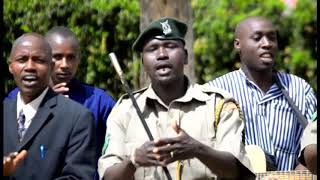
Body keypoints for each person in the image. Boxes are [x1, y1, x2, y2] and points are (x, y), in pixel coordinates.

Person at [98, 17, 255, 180]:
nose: (162, 55)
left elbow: (238, 172)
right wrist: (133, 161)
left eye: (170, 46)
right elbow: (108, 176)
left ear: (186, 56)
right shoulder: (124, 111)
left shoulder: (218, 105)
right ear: (143, 63)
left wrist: (197, 149)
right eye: (152, 49)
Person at [206, 16, 317, 171]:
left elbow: (312, 145)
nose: (267, 44)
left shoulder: (299, 89)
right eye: (257, 38)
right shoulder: (216, 93)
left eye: (272, 38)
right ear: (238, 45)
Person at [6, 26, 116, 180]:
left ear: (79, 59)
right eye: (58, 57)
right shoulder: (14, 101)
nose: (64, 65)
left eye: (71, 57)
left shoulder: (98, 101)